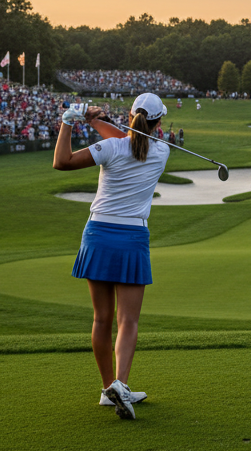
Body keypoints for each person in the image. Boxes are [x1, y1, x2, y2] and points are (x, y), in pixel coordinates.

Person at [52, 93, 170, 420]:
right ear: (159, 125)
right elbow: (131, 141)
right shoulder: (162, 151)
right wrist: (95, 121)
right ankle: (121, 384)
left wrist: (70, 122)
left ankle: (109, 389)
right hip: (132, 237)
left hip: (98, 235)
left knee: (102, 319)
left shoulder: (112, 148)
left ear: (130, 115)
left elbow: (62, 162)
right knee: (127, 320)